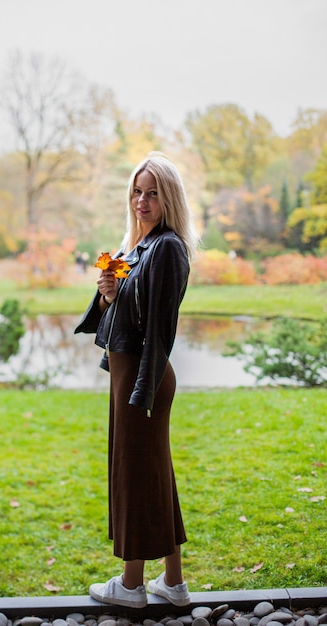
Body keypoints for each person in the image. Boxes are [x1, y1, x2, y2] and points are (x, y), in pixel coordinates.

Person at [75, 153, 200, 609]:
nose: (141, 200)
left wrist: (141, 389)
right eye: (136, 191)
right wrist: (109, 295)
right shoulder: (139, 246)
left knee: (134, 476)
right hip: (129, 370)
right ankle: (174, 583)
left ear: (168, 198)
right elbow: (126, 316)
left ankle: (130, 587)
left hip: (142, 375)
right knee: (153, 474)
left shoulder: (167, 247)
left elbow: (161, 326)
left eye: (152, 192)